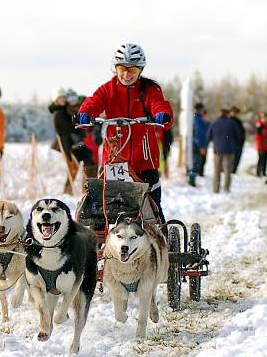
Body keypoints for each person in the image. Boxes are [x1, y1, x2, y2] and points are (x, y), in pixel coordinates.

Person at [76, 43, 174, 225]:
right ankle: (99, 241)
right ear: (115, 68)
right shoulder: (108, 89)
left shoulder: (149, 90)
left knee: (152, 208)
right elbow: (94, 102)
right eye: (122, 69)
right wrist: (85, 113)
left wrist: (162, 114)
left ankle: (161, 244)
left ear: (140, 70)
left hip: (143, 160)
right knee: (104, 205)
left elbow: (159, 103)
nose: (126, 75)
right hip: (114, 158)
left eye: (132, 69)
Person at [49, 88, 97, 194]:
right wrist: (81, 131)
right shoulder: (60, 112)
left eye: (63, 98)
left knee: (87, 164)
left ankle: (86, 190)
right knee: (73, 167)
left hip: (78, 143)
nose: (62, 100)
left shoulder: (68, 109)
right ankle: (68, 192)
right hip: (69, 144)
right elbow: (70, 128)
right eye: (60, 98)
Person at [207, 108, 241, 193]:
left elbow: (208, 136)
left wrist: (216, 141)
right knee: (227, 170)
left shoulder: (214, 123)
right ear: (227, 114)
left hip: (217, 150)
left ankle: (216, 189)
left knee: (217, 170)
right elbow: (238, 136)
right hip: (229, 150)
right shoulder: (232, 123)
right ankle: (226, 188)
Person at [188, 102, 209, 187]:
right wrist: (201, 146)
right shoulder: (198, 119)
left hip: (196, 143)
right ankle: (191, 179)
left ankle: (192, 178)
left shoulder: (197, 118)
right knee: (196, 162)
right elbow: (199, 133)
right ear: (200, 109)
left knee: (197, 162)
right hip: (197, 144)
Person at [229, 106, 246, 174]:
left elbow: (242, 133)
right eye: (233, 112)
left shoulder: (239, 122)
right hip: (230, 144)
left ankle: (234, 171)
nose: (235, 114)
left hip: (238, 144)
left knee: (236, 159)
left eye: (236, 112)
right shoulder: (228, 121)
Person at [255, 112, 267, 176]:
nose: (264, 119)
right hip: (261, 145)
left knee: (265, 159)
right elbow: (258, 135)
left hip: (266, 145)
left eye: (265, 117)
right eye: (263, 117)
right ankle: (258, 172)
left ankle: (264, 172)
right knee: (260, 158)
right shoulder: (259, 124)